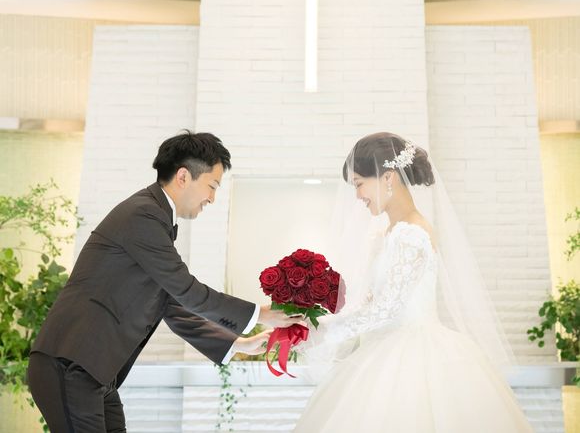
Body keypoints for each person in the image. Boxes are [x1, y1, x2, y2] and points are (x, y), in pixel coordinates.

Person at [28, 131, 297, 433]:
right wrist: (261, 314)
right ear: (183, 176)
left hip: (95, 373)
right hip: (70, 364)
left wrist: (238, 344)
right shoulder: (143, 215)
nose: (212, 198)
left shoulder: (154, 218)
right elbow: (188, 291)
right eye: (212, 186)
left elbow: (171, 305)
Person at [293, 132, 533, 432]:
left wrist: (322, 332)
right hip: (383, 349)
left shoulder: (411, 234)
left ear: (388, 177)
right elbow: (370, 303)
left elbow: (385, 310)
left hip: (415, 356)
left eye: (359, 184)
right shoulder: (385, 235)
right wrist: (317, 322)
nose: (357, 196)